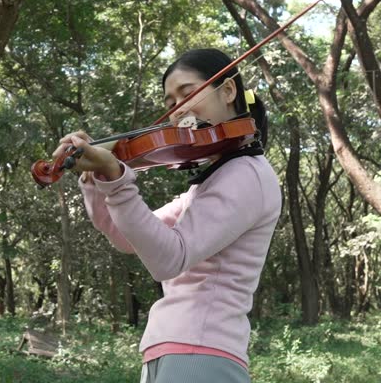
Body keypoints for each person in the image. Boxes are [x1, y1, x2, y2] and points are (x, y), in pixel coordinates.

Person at [51, 48, 282, 383]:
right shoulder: (208, 186)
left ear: (228, 91)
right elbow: (124, 236)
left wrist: (117, 179)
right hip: (175, 352)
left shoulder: (247, 174)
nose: (178, 110)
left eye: (188, 94)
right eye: (170, 103)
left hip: (200, 355)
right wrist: (97, 178)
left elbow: (169, 260)